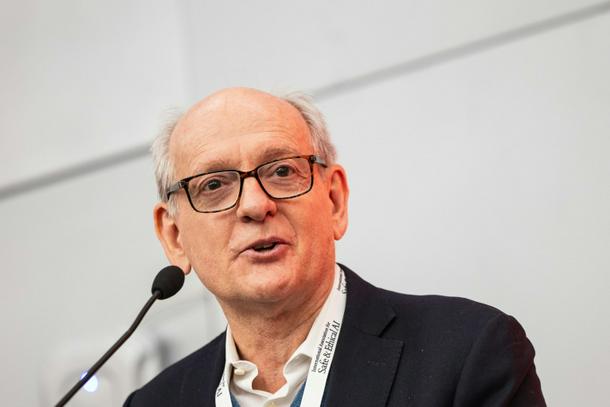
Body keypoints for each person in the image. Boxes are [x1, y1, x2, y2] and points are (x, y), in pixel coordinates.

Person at [124, 87, 545, 406]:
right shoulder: (153, 403)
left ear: (334, 201)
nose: (255, 205)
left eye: (282, 171)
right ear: (175, 238)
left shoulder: (467, 352)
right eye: (214, 184)